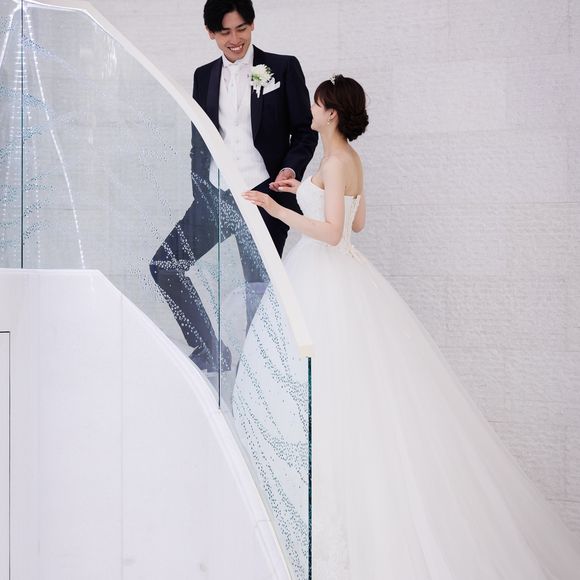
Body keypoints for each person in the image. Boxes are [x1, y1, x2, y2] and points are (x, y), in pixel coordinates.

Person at [237, 75, 580, 578]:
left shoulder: (334, 162)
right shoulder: (349, 159)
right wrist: (301, 192)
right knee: (348, 393)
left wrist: (275, 207)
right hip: (345, 276)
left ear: (331, 113)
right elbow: (356, 224)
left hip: (323, 275)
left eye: (317, 103)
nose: (310, 109)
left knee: (325, 390)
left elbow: (331, 234)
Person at [150, 0, 317, 372]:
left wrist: (289, 169)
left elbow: (305, 131)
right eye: (225, 32)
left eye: (241, 28)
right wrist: (201, 190)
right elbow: (200, 140)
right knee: (165, 265)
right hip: (216, 194)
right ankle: (211, 349)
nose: (235, 39)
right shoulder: (204, 76)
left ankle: (255, 379)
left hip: (265, 196)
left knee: (257, 293)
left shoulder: (282, 68)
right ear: (211, 33)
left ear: (252, 25)